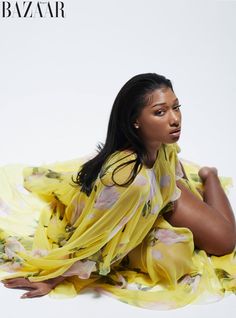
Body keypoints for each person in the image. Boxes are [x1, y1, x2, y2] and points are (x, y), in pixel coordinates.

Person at [0, 73, 235, 310]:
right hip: (133, 203)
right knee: (204, 247)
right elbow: (95, 235)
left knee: (223, 241)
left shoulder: (160, 141)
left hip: (162, 193)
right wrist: (53, 278)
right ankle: (208, 176)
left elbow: (171, 160)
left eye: (176, 107)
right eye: (160, 112)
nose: (175, 119)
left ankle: (208, 176)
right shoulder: (128, 180)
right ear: (136, 121)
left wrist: (183, 186)